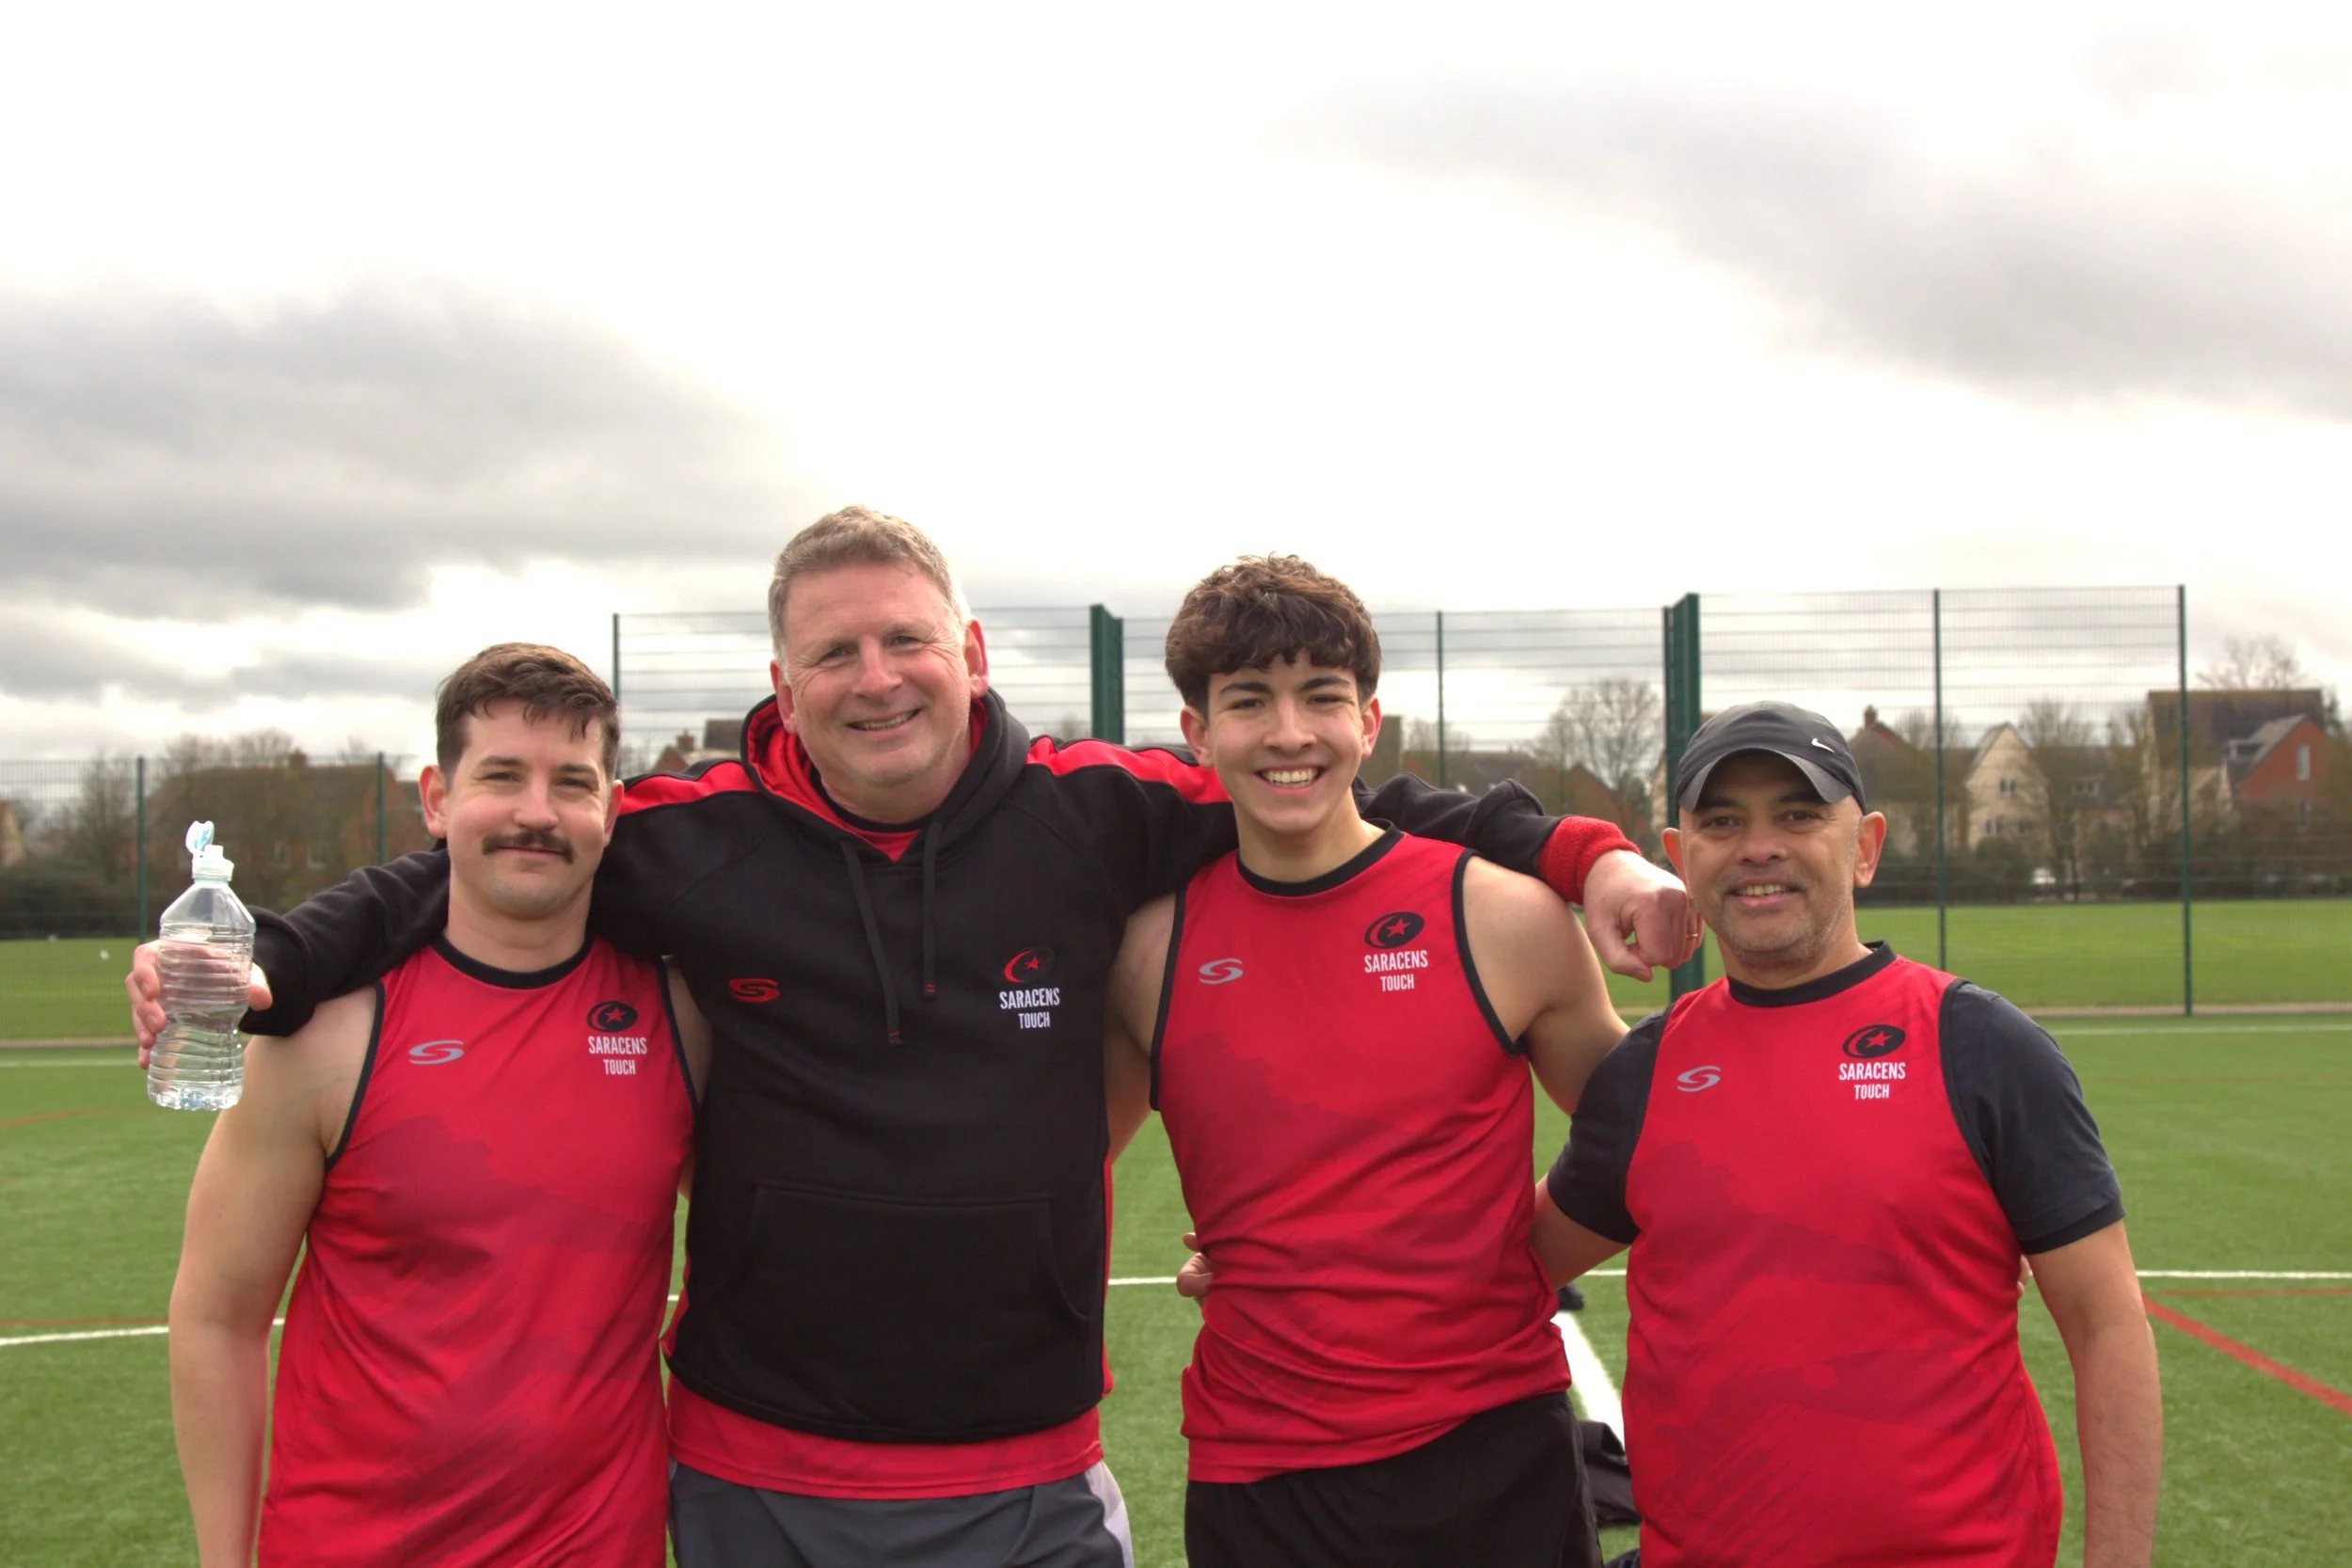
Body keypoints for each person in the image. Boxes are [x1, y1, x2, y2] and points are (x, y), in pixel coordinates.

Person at [133, 507, 1693, 1568]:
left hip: (1029, 1469)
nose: (875, 679)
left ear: (969, 652)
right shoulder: (683, 836)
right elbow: (481, 849)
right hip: (756, 1473)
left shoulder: (1098, 809)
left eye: (902, 641)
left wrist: (1583, 853)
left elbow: (1335, 787)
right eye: (834, 653)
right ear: (783, 683)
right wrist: (268, 950)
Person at [1533, 701, 2162, 1568]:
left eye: (1798, 813)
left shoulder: (1978, 1045)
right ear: (1680, 858)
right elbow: (1511, 1265)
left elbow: (2108, 1327)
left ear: (1864, 845)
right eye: (1723, 821)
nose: (1760, 846)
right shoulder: (1646, 1073)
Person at [1102, 556, 1628, 1568]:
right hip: (1261, 1475)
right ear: (1198, 731)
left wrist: (1531, 1248)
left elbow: (1648, 1132)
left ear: (1369, 720)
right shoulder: (1145, 951)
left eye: (1321, 697)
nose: (1289, 732)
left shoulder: (1502, 915)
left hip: (1494, 1451)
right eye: (1249, 700)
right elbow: (1054, 1176)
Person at [167, 644, 707, 1567]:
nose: (536, 812)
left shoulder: (683, 1020)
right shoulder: (323, 1037)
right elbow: (218, 1317)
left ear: (611, 810)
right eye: (501, 774)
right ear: (436, 796)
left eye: (571, 782)